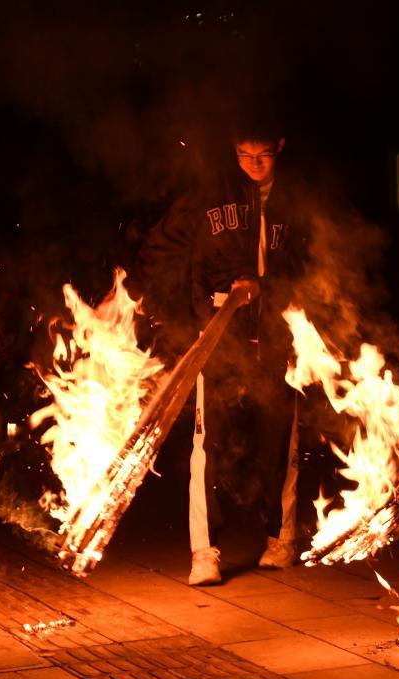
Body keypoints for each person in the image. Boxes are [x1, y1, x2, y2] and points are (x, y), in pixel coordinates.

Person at [131, 112, 310, 585]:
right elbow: (161, 246)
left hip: (277, 338)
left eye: (263, 155)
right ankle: (203, 552)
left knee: (278, 442)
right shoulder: (210, 196)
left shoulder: (297, 201)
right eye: (244, 155)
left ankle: (280, 537)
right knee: (206, 445)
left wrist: (268, 289)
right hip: (219, 337)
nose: (254, 164)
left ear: (280, 146)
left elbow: (312, 267)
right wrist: (160, 304)